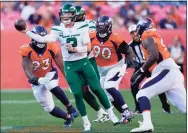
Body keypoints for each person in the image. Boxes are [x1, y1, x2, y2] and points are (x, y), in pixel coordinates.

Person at [18, 4, 119, 132]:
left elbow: (88, 47)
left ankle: (112, 115)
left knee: (97, 89)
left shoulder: (82, 27)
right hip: (70, 66)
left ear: (74, 16)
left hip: (83, 62)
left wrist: (76, 49)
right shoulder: (57, 29)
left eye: (68, 15)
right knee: (77, 94)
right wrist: (27, 31)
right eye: (63, 15)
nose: (65, 18)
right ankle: (86, 123)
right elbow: (44, 38)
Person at [130, 17, 186, 133]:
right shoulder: (153, 35)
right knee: (184, 107)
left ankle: (147, 124)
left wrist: (140, 71)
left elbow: (154, 56)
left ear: (141, 28)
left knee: (142, 93)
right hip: (172, 72)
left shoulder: (147, 36)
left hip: (166, 70)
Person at [18, 25, 78, 127]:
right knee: (49, 108)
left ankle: (70, 107)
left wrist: (70, 81)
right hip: (37, 79)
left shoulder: (51, 46)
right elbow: (27, 69)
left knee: (51, 85)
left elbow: (62, 66)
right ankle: (68, 117)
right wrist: (33, 78)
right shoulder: (26, 50)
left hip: (49, 72)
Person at [90, 16, 135, 124]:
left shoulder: (115, 38)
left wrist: (127, 64)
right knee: (109, 97)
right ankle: (125, 115)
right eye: (99, 27)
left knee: (109, 86)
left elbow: (129, 52)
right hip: (101, 70)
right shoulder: (91, 36)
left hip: (116, 66)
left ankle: (127, 110)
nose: (101, 29)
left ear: (109, 27)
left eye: (103, 27)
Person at [75, 5, 109, 123]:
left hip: (89, 60)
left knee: (97, 87)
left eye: (77, 15)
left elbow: (93, 40)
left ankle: (113, 111)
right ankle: (101, 112)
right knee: (82, 90)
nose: (75, 18)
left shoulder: (90, 24)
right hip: (77, 61)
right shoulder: (69, 27)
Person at [128, 24, 171, 114]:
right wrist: (132, 63)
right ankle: (139, 108)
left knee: (158, 85)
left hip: (149, 65)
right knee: (133, 84)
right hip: (140, 66)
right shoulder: (130, 45)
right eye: (132, 33)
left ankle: (165, 106)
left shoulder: (145, 40)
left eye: (135, 31)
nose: (134, 34)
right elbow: (130, 59)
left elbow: (153, 54)